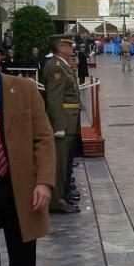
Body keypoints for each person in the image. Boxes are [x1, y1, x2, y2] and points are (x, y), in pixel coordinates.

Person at [0, 68, 56, 266]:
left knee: (23, 262)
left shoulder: (23, 89)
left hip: (18, 190)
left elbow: (43, 138)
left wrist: (44, 182)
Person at [42, 35, 81, 215]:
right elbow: (54, 99)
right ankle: (57, 202)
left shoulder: (62, 65)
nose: (72, 48)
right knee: (59, 163)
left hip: (69, 119)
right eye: (68, 45)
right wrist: (58, 126)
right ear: (60, 47)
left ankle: (63, 195)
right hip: (64, 121)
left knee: (65, 162)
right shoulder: (55, 67)